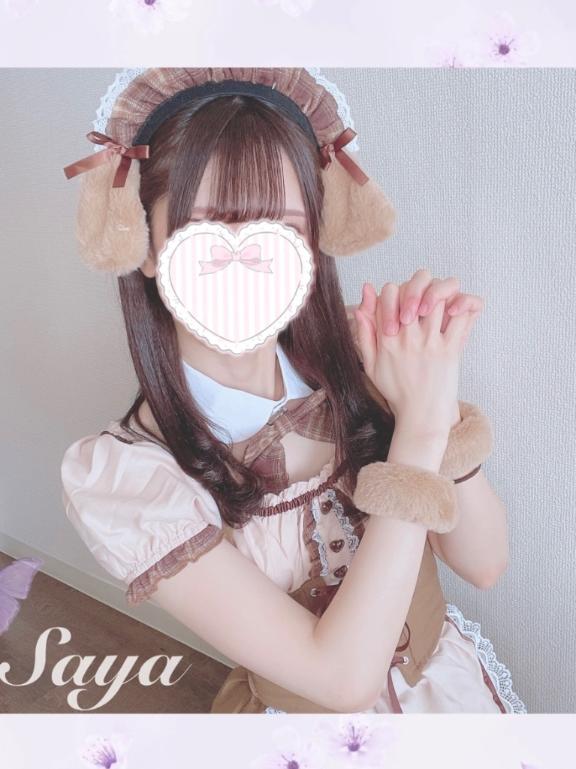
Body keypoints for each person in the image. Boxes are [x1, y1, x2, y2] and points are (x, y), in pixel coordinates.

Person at [60, 67, 523, 714]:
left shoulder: (361, 365)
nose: (247, 257)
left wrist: (434, 393)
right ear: (147, 243)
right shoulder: (130, 477)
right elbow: (343, 680)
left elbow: (485, 562)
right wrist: (418, 429)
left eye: (281, 226)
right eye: (211, 224)